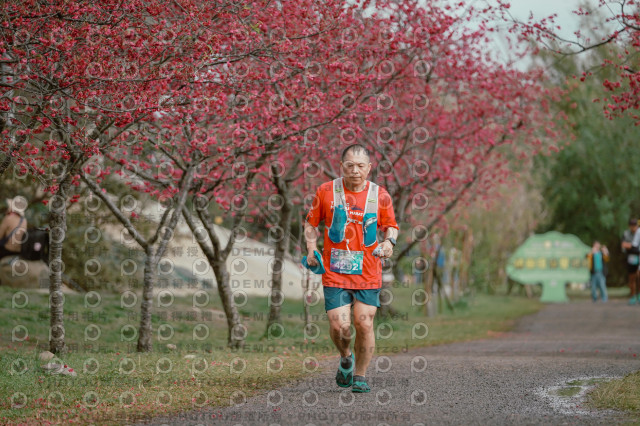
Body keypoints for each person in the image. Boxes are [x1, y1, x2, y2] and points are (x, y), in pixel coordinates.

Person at [303, 144, 399, 393]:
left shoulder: (380, 195)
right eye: (350, 165)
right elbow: (310, 224)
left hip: (368, 271)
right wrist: (311, 248)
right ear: (341, 166)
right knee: (340, 326)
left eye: (360, 166)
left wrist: (389, 242)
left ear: (369, 168)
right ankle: (346, 356)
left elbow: (391, 226)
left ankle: (360, 375)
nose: (355, 170)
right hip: (335, 270)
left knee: (364, 323)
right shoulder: (326, 191)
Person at [621, 218, 640, 305]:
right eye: (632, 225)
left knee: (639, 276)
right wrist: (632, 247)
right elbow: (623, 245)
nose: (633, 227)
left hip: (638, 256)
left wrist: (630, 246)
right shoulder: (626, 234)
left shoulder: (639, 232)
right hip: (631, 257)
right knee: (632, 278)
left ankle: (639, 295)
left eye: (635, 225)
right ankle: (633, 296)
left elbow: (631, 246)